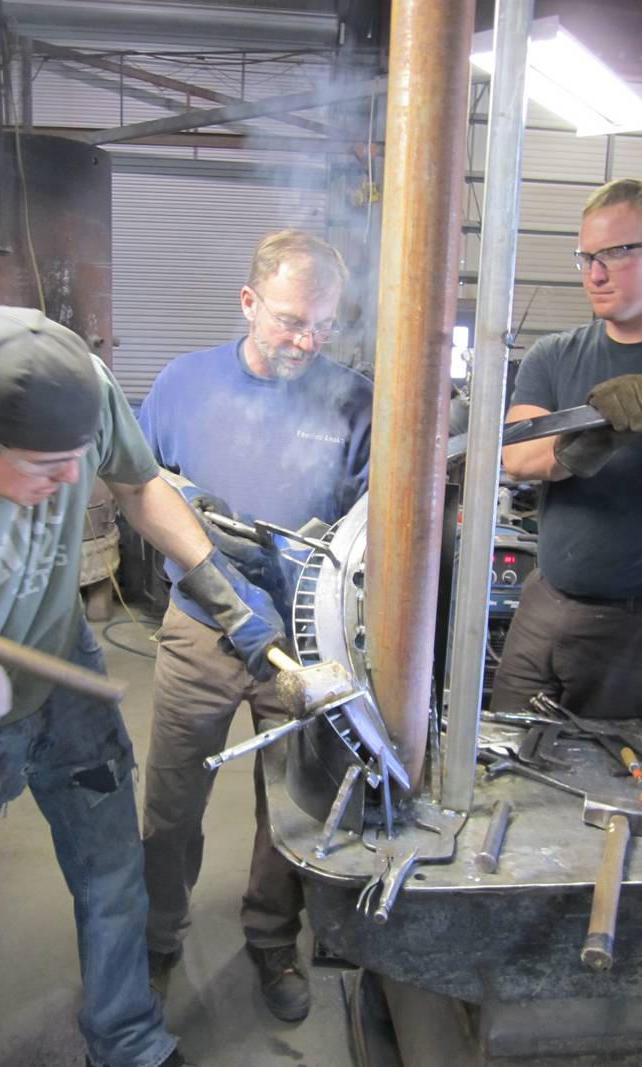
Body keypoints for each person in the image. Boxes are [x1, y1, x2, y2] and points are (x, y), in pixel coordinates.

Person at [0, 305, 285, 1067]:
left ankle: (127, 1038)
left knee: (113, 877)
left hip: (63, 663)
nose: (75, 479)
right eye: (47, 467)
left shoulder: (75, 387)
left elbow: (136, 485)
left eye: (77, 457)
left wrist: (221, 589)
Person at [137, 230, 372, 1022]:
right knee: (172, 804)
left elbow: (378, 520)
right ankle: (158, 939)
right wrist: (187, 515)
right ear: (248, 302)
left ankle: (272, 938)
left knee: (292, 806)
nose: (307, 341)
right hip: (199, 633)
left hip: (304, 639)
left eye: (323, 325)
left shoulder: (353, 400)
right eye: (290, 320)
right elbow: (134, 483)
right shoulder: (182, 384)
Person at [490, 178, 642, 723]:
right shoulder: (556, 355)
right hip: (543, 608)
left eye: (615, 254)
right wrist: (590, 440)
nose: (594, 274)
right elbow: (517, 457)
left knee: (614, 772)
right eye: (586, 257)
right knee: (505, 755)